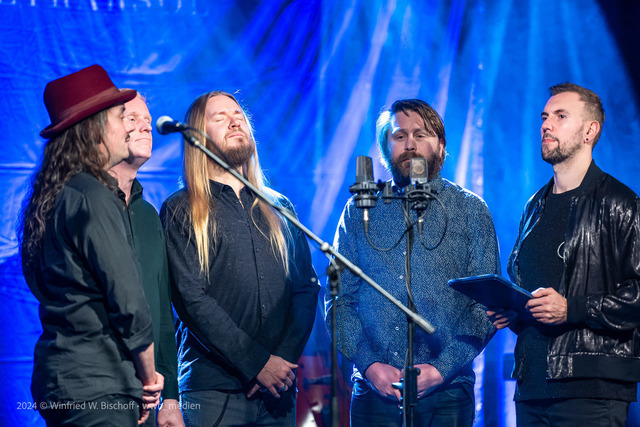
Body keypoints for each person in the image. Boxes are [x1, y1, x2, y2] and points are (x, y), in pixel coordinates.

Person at [325, 98, 500, 426]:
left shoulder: (470, 209)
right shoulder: (359, 211)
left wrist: (440, 369)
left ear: (441, 145)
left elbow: (486, 306)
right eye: (399, 136)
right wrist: (370, 365)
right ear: (385, 148)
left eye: (420, 134)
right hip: (374, 391)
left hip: (448, 392)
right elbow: (338, 300)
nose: (409, 144)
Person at [160, 91, 319, 426]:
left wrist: (281, 360)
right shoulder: (181, 209)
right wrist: (257, 363)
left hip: (278, 389)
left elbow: (305, 288)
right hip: (213, 391)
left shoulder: (279, 206)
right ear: (197, 136)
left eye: (239, 116)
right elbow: (191, 298)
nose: (235, 122)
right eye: (220, 117)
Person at [487, 83, 640, 426]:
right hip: (532, 386)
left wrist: (572, 308)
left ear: (589, 131)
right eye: (544, 117)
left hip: (591, 389)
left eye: (560, 116)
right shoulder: (534, 206)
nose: (546, 124)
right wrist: (514, 312)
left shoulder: (621, 204)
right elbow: (532, 289)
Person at [19, 64, 163, 425]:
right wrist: (149, 378)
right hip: (99, 383)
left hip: (63, 379)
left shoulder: (53, 197)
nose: (128, 128)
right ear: (95, 128)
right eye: (120, 117)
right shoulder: (94, 197)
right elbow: (129, 301)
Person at [109, 92, 185, 427]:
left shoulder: (148, 215)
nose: (146, 127)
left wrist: (171, 398)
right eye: (133, 118)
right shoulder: (83, 204)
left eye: (148, 121)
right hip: (100, 387)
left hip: (149, 394)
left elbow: (162, 312)